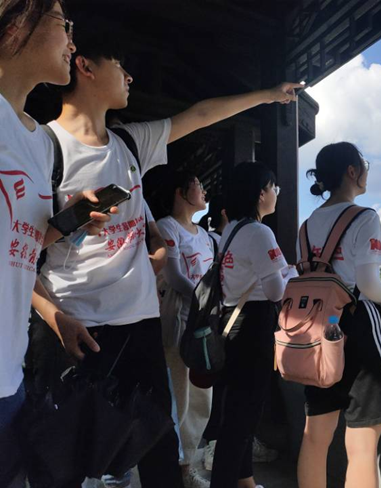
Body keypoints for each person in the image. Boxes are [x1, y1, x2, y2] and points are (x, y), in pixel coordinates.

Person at [31, 25, 301, 487]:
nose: (130, 77)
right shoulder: (42, 147)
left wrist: (268, 95)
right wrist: (56, 316)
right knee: (66, 462)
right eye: (121, 65)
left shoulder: (131, 143)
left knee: (159, 450)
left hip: (139, 321)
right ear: (86, 66)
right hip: (74, 324)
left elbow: (201, 114)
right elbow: (16, 250)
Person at [0, 3, 112, 486]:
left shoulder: (39, 142)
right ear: (15, 25)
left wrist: (69, 222)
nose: (72, 40)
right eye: (62, 24)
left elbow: (21, 245)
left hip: (10, 377)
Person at [296, 142, 381, 488]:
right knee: (362, 446)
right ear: (352, 171)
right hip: (358, 326)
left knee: (315, 436)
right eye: (364, 164)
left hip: (317, 329)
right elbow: (368, 283)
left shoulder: (307, 225)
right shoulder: (364, 217)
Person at [211, 162, 294, 488]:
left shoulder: (231, 230)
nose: (276, 193)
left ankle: (244, 481)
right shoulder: (260, 232)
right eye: (274, 187)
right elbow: (275, 292)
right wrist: (290, 275)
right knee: (243, 417)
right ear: (261, 193)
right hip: (255, 326)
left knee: (236, 410)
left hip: (232, 322)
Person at [156, 171, 214, 488]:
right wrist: (206, 300)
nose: (203, 190)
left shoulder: (204, 234)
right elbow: (174, 276)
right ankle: (173, 468)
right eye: (198, 185)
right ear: (180, 192)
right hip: (179, 324)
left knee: (201, 399)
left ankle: (186, 465)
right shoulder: (167, 227)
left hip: (203, 326)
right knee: (179, 398)